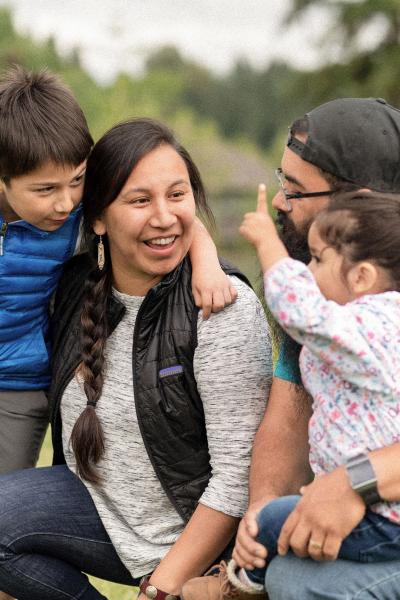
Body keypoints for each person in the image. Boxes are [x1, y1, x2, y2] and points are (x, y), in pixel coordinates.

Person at [0, 117, 272, 600]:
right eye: (140, 200)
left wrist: (162, 588)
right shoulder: (75, 284)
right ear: (98, 216)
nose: (164, 216)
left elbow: (237, 479)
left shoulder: (219, 307)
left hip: (191, 537)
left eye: (177, 195)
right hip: (102, 512)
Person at [182, 97, 400, 600]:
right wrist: (260, 517)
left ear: (356, 204)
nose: (280, 202)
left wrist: (355, 482)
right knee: (285, 569)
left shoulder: (373, 313)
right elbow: (288, 414)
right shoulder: (331, 292)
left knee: (301, 583)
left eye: (295, 190)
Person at [0, 65, 238, 476]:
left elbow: (184, 222)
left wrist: (207, 265)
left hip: (19, 385)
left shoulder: (77, 216)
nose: (64, 201)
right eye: (45, 190)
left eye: (76, 181)